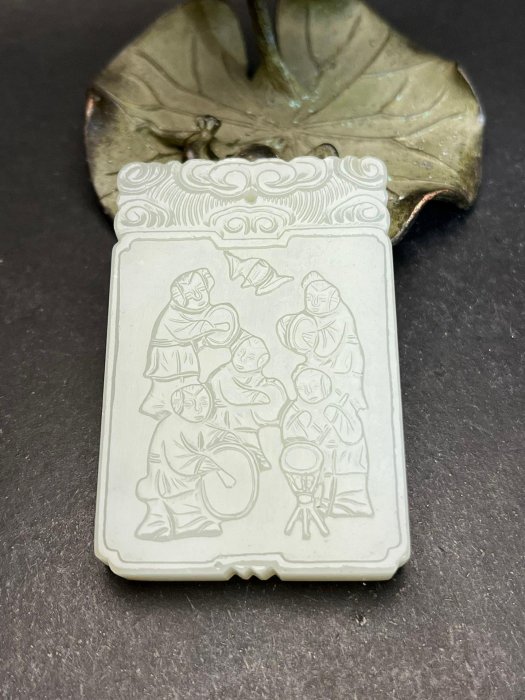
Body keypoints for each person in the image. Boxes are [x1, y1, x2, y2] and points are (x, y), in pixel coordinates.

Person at [136, 384, 243, 540]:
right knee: (166, 504)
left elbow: (211, 433)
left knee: (190, 503)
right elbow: (178, 459)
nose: (198, 409)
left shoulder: (199, 421)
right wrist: (215, 468)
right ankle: (158, 525)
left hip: (185, 477)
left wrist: (227, 438)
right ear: (178, 406)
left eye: (203, 403)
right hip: (166, 475)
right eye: (189, 404)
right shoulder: (170, 426)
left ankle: (193, 523)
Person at [140, 268, 240, 420]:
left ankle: (169, 406)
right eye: (190, 295)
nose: (199, 297)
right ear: (180, 298)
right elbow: (185, 331)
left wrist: (207, 338)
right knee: (168, 384)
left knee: (187, 382)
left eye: (201, 289)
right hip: (168, 356)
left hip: (183, 353)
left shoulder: (190, 310)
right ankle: (154, 405)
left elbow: (195, 333)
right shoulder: (172, 314)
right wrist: (211, 326)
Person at [281, 368, 372, 518]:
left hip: (346, 472)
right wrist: (312, 444)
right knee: (316, 507)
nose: (308, 392)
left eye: (315, 386)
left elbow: (354, 435)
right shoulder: (295, 410)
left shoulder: (341, 403)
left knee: (350, 507)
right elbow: (291, 443)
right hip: (315, 476)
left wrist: (336, 418)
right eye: (302, 388)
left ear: (326, 384)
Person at [277, 271, 366, 410]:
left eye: (321, 299)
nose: (314, 304)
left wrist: (311, 337)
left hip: (344, 366)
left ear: (333, 300)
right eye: (310, 298)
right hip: (324, 366)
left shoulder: (340, 318)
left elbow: (326, 349)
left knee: (341, 398)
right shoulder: (315, 316)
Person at [208, 332, 287, 470]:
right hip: (221, 428)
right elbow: (230, 398)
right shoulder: (222, 376)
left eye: (250, 357)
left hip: (251, 433)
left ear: (261, 361)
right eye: (240, 353)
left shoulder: (266, 384)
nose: (242, 359)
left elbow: (274, 409)